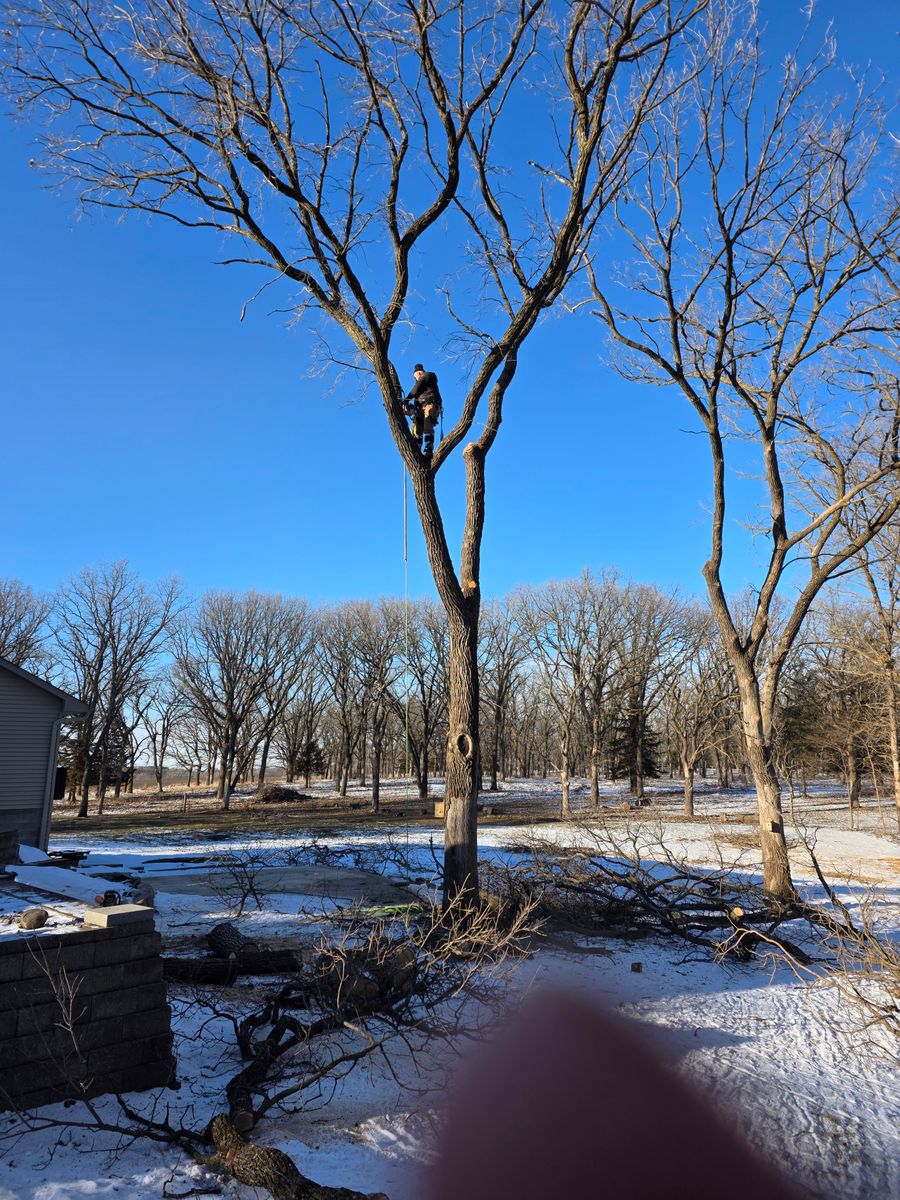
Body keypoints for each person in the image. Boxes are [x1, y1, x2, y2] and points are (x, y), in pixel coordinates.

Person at [404, 363, 442, 459]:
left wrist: (407, 399)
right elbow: (417, 392)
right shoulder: (421, 386)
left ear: (419, 373)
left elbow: (416, 388)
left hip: (430, 404)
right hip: (420, 409)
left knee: (428, 427)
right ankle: (417, 450)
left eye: (415, 376)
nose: (415, 379)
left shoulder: (427, 376)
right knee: (417, 430)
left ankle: (428, 451)